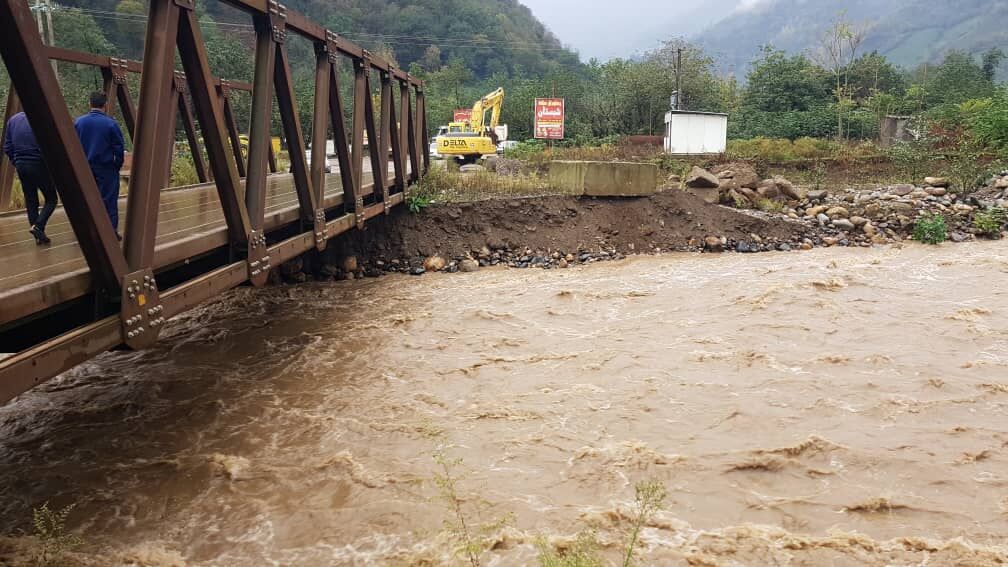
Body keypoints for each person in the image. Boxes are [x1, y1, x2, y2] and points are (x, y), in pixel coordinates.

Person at [2, 111, 58, 245]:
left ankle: (38, 236)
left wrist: (16, 161)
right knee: (51, 198)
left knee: (31, 199)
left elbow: (7, 146)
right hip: (38, 163)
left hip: (21, 164)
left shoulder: (13, 120)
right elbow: (48, 145)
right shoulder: (40, 118)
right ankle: (38, 226)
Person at [75, 91, 125, 236]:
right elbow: (119, 148)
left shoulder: (79, 122)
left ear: (89, 104)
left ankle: (88, 231)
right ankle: (110, 232)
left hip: (85, 168)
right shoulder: (111, 124)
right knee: (109, 200)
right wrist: (116, 165)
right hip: (106, 168)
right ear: (105, 105)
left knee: (87, 200)